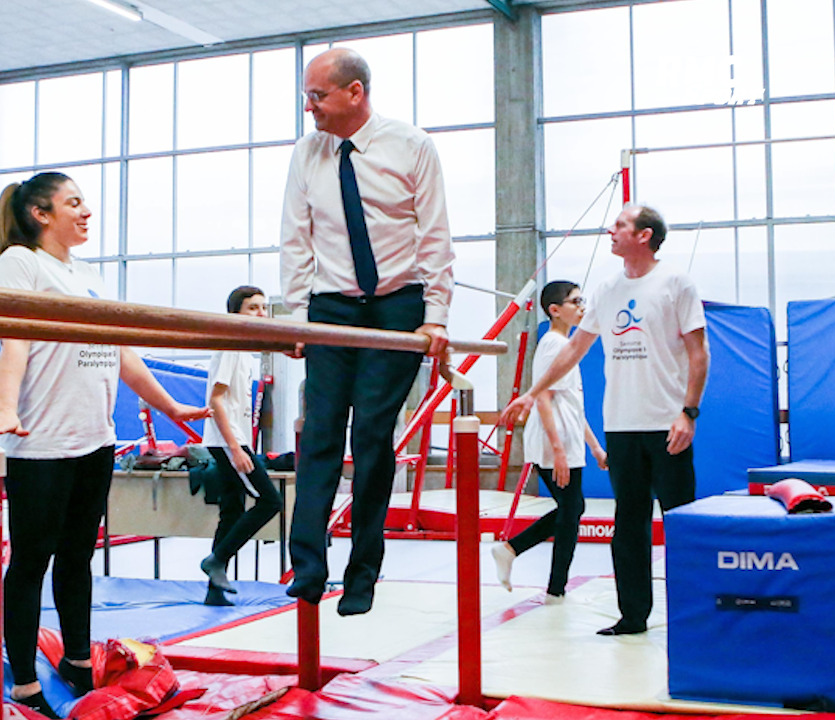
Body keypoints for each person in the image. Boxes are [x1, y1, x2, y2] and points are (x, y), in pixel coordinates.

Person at [0, 172, 210, 719]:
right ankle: (21, 681)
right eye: (74, 203)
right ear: (41, 214)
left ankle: (79, 661)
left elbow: (121, 352)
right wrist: (5, 407)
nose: (87, 212)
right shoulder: (22, 263)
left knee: (78, 559)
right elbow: (11, 340)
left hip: (93, 439)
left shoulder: (88, 275)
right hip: (40, 440)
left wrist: (170, 405)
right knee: (32, 560)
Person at [280, 47, 454, 616]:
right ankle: (307, 564)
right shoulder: (307, 154)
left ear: (355, 92)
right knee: (322, 431)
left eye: (318, 96)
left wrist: (437, 316)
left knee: (373, 436)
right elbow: (295, 239)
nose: (310, 107)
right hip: (332, 303)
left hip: (398, 305)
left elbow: (434, 236)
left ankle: (363, 572)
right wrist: (297, 315)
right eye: (307, 96)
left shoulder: (412, 146)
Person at [502, 204, 709, 636]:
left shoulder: (676, 283)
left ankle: (694, 616)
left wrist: (688, 413)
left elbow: (698, 353)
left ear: (645, 235)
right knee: (628, 526)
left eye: (620, 225)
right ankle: (632, 616)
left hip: (668, 424)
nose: (610, 231)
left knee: (681, 522)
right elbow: (575, 350)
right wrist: (531, 392)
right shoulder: (607, 289)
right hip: (622, 426)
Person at [490, 281, 607, 603]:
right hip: (553, 440)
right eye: (575, 302)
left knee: (572, 509)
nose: (582, 307)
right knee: (572, 509)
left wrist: (595, 447)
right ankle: (551, 585)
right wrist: (557, 450)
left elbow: (572, 404)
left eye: (583, 300)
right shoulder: (553, 344)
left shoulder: (565, 344)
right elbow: (542, 396)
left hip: (568, 436)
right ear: (555, 310)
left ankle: (514, 553)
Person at [199, 286, 282, 607]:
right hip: (228, 441)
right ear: (236, 313)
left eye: (264, 308)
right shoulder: (231, 347)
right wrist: (235, 448)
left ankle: (214, 590)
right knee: (269, 501)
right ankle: (216, 561)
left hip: (230, 439)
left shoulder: (243, 350)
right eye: (253, 308)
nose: (261, 313)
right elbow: (215, 400)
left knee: (232, 510)